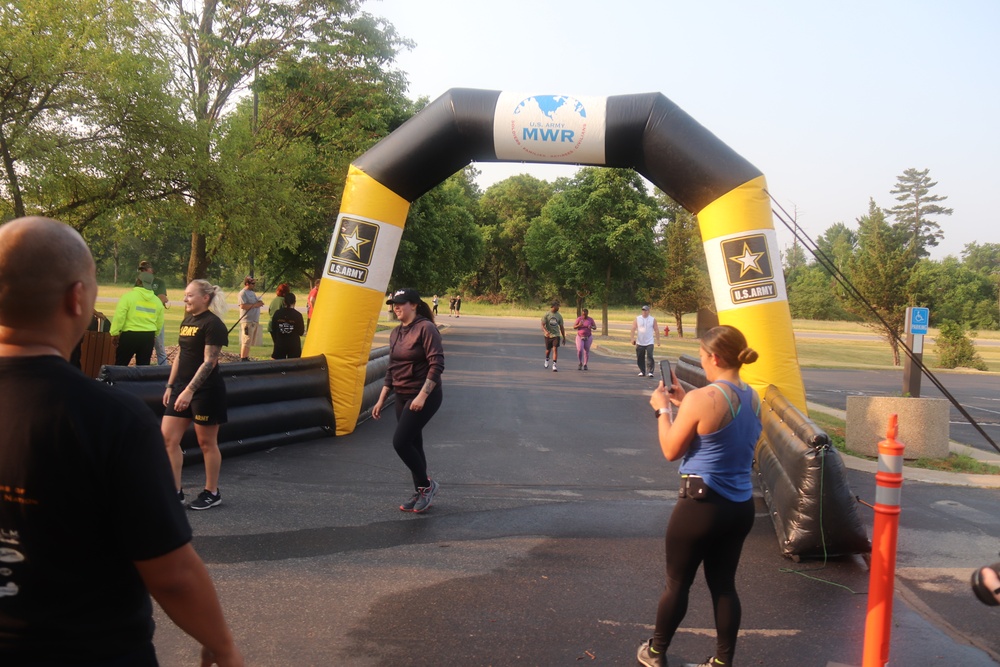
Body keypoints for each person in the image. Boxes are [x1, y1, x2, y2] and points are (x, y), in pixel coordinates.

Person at [0, 216, 243, 666]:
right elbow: (170, 572)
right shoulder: (109, 418)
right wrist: (221, 643)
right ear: (77, 299)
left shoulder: (208, 327)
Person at [637, 325, 762, 667]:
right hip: (739, 508)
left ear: (715, 357)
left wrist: (663, 409)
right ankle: (722, 662)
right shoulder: (753, 396)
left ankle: (656, 652)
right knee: (724, 586)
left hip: (701, 507)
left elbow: (670, 450)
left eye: (704, 357)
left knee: (677, 584)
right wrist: (682, 401)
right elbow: (721, 426)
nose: (703, 364)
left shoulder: (700, 399)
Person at [371, 288, 444, 514]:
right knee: (413, 443)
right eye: (394, 304)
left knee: (400, 442)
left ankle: (427, 486)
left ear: (413, 304)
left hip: (424, 394)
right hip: (402, 395)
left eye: (401, 303)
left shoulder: (426, 329)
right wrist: (382, 398)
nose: (396, 307)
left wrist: (422, 395)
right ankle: (421, 489)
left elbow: (437, 364)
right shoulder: (396, 333)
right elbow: (392, 368)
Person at [162, 280, 231, 511]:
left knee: (206, 443)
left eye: (190, 295)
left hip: (205, 391)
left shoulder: (213, 324)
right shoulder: (187, 320)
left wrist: (190, 391)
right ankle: (175, 492)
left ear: (205, 298)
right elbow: (181, 355)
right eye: (185, 295)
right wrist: (171, 386)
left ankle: (212, 492)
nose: (185, 299)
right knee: (167, 439)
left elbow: (210, 362)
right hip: (181, 388)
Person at [110, 270, 165, 366]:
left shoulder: (128, 297)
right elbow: (160, 321)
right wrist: (155, 334)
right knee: (143, 367)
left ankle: (118, 381)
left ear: (138, 281)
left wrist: (115, 333)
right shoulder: (157, 301)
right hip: (148, 336)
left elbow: (120, 316)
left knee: (121, 365)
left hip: (129, 335)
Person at [139, 260, 170, 365]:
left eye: (145, 269)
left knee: (160, 348)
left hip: (156, 319)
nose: (143, 272)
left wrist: (147, 300)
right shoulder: (139, 283)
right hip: (142, 319)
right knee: (143, 348)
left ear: (151, 270)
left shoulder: (159, 282)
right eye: (141, 270)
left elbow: (162, 298)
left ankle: (163, 371)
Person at [270, 291, 305, 359]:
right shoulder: (298, 315)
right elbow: (301, 332)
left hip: (280, 343)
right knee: (293, 366)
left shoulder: (277, 313)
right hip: (294, 344)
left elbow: (273, 328)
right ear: (294, 302)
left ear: (284, 302)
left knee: (279, 366)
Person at [237, 275, 264, 361]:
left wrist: (259, 302)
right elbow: (243, 306)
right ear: (247, 283)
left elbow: (255, 303)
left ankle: (246, 356)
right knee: (246, 339)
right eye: (252, 283)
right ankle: (243, 358)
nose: (254, 285)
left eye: (254, 283)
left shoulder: (252, 293)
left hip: (254, 320)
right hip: (247, 320)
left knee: (250, 340)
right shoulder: (242, 293)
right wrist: (256, 305)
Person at [631, 304, 661, 378]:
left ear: (648, 311)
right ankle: (642, 371)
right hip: (640, 342)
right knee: (640, 357)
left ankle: (650, 372)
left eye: (646, 310)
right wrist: (632, 338)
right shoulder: (637, 319)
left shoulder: (652, 319)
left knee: (650, 356)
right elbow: (633, 328)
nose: (644, 312)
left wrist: (658, 340)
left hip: (649, 341)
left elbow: (656, 329)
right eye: (643, 310)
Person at [541, 300, 566, 372]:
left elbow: (561, 327)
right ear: (553, 306)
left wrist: (564, 337)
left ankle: (554, 364)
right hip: (548, 335)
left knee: (555, 349)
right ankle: (547, 359)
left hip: (556, 335)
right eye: (557, 306)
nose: (558, 307)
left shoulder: (559, 316)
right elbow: (542, 325)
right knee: (548, 350)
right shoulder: (547, 315)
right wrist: (545, 331)